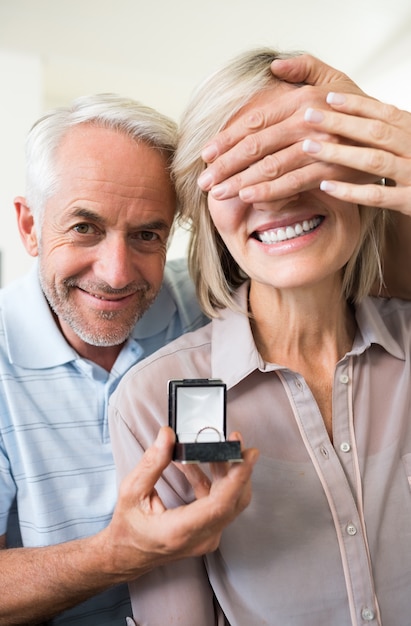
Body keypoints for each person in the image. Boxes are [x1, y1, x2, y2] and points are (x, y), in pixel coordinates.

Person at [109, 48, 411, 626]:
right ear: (204, 211)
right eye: (239, 172)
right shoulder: (151, 400)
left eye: (298, 157)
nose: (274, 194)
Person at [0, 93, 258, 625]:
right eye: (84, 227)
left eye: (146, 235)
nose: (117, 274)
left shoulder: (209, 301)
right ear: (29, 227)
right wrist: (120, 554)